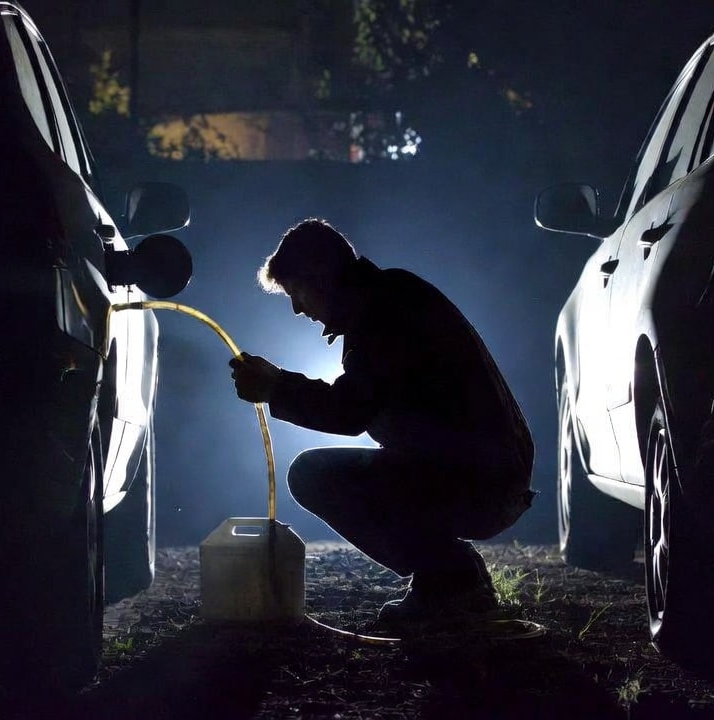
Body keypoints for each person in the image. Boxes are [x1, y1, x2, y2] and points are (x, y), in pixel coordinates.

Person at [229, 218, 535, 630]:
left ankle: (451, 581)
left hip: (480, 481)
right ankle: (454, 575)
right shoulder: (387, 299)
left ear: (321, 277)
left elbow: (349, 410)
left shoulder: (386, 311)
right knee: (338, 474)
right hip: (483, 473)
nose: (298, 308)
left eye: (296, 292)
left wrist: (278, 387)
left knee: (312, 475)